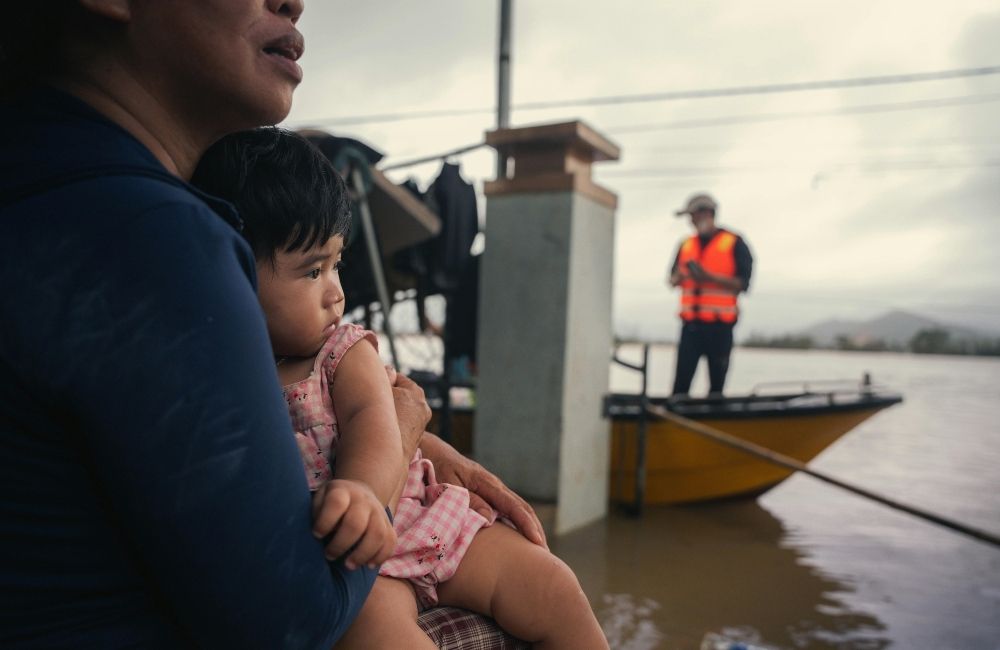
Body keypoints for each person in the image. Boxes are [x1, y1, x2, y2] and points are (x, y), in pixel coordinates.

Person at [0, 3, 542, 647]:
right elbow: (292, 621)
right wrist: (396, 441)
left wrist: (418, 442)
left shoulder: (43, 180)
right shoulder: (146, 234)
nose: (293, 0)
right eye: (311, 269)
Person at [191, 127, 609, 650]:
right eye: (312, 270)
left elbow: (376, 420)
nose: (336, 292)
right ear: (234, 272)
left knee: (553, 585)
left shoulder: (341, 352)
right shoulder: (224, 374)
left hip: (420, 517)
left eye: (336, 263)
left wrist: (365, 490)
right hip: (361, 568)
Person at [667, 193, 753, 396]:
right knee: (680, 388)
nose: (691, 221)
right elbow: (671, 280)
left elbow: (743, 283)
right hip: (691, 328)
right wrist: (678, 277)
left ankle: (713, 420)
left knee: (716, 389)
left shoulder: (734, 243)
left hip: (720, 328)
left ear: (707, 213)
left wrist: (709, 277)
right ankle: (674, 422)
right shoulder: (685, 244)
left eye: (693, 216)